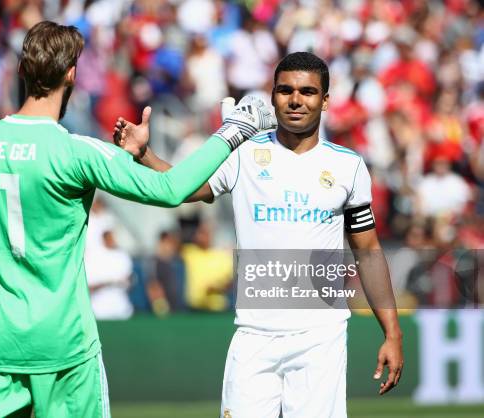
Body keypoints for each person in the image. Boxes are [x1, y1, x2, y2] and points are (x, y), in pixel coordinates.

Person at [0, 21, 276, 418]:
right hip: (65, 347)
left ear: (23, 72)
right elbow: (171, 190)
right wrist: (233, 132)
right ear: (72, 74)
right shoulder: (78, 152)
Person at [114, 52, 404, 418]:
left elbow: (369, 252)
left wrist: (392, 334)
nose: (295, 100)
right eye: (285, 90)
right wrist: (145, 155)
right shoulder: (243, 152)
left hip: (320, 335)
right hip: (254, 333)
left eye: (308, 92)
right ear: (273, 96)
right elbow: (187, 188)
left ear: (325, 100)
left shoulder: (348, 166)